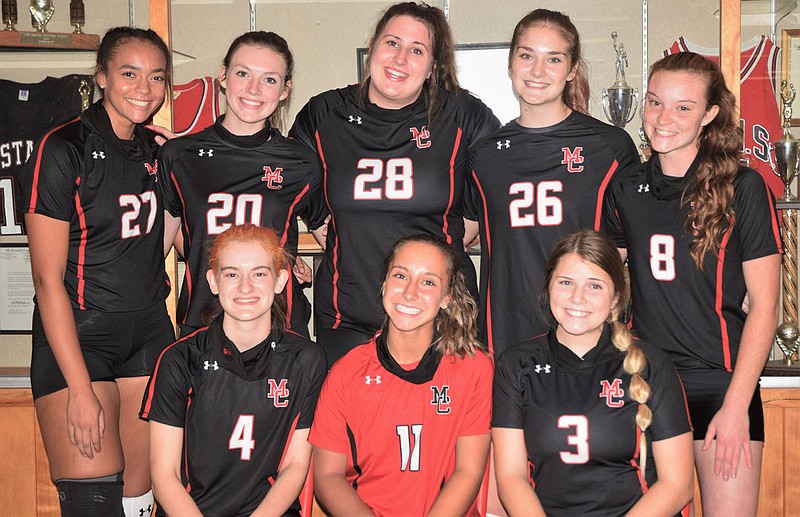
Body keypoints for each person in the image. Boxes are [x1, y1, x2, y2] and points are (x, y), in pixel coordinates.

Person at [602, 52, 782, 516]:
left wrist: (738, 405)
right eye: (655, 102)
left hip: (720, 385)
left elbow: (766, 306)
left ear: (709, 114)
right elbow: (603, 284)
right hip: (647, 385)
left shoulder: (743, 187)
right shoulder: (624, 187)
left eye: (683, 107)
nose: (664, 118)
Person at [290, 1, 500, 367]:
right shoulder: (324, 114)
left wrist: (450, 244)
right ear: (373, 45)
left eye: (416, 50)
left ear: (433, 65)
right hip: (348, 316)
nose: (400, 59)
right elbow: (290, 179)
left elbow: (500, 181)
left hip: (440, 314)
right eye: (392, 43)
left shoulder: (462, 115)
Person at [20, 27, 173, 516]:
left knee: (141, 501)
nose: (143, 89)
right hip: (79, 338)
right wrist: (80, 389)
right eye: (129, 73)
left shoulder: (159, 150)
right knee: (95, 504)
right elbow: (46, 282)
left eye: (156, 77)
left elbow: (160, 244)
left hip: (149, 334)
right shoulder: (63, 148)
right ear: (102, 76)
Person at [466, 9, 639, 358]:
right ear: (511, 62)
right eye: (526, 55)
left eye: (554, 59)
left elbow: (635, 239)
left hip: (588, 332)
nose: (537, 71)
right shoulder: (484, 156)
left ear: (572, 69)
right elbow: (458, 234)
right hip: (505, 335)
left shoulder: (610, 148)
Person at [492, 230, 694, 516]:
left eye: (595, 286)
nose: (578, 298)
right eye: (565, 282)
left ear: (615, 298)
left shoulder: (651, 364)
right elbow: (511, 478)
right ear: (549, 286)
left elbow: (677, 484)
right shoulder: (515, 365)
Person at [141, 224, 326, 516]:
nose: (245, 287)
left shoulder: (307, 360)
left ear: (280, 281)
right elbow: (165, 478)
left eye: (259, 273)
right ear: (213, 282)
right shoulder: (179, 359)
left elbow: (295, 465)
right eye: (231, 274)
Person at [157, 31, 325, 338]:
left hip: (282, 325)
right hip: (205, 321)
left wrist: (284, 254)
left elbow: (333, 236)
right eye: (243, 73)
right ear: (223, 75)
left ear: (285, 90)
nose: (254, 89)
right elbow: (158, 248)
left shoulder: (302, 161)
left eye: (270, 79)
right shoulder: (180, 156)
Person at [310, 234, 492, 516]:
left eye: (428, 282)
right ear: (384, 284)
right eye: (400, 276)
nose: (410, 293)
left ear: (447, 298)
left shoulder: (474, 368)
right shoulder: (346, 374)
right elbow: (327, 477)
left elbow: (467, 471)